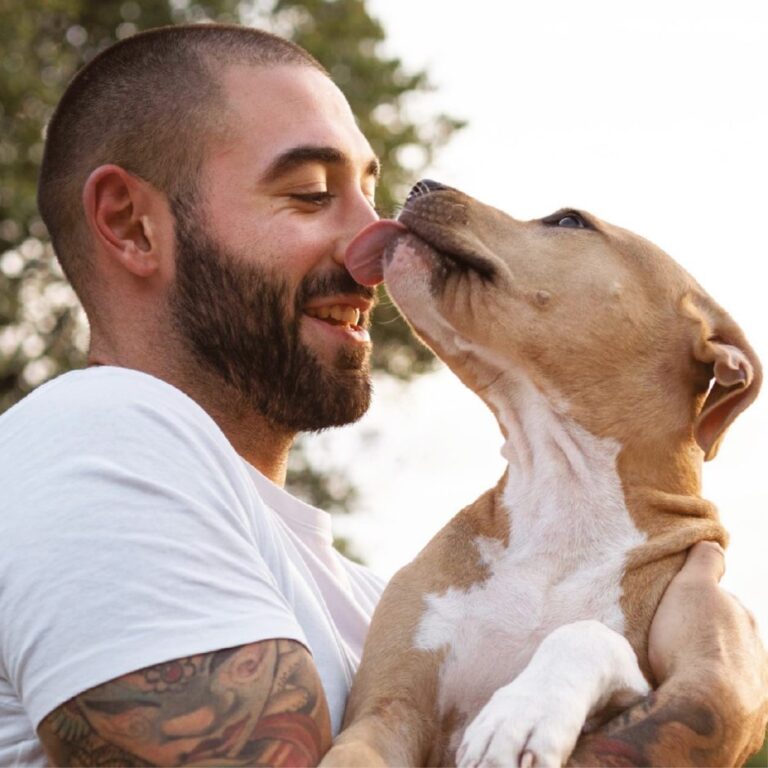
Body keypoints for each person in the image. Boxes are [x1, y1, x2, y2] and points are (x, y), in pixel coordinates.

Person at [0, 23, 765, 768]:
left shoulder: (382, 607)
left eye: (370, 194)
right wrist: (709, 712)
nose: (375, 246)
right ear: (133, 227)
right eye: (307, 194)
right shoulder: (92, 440)